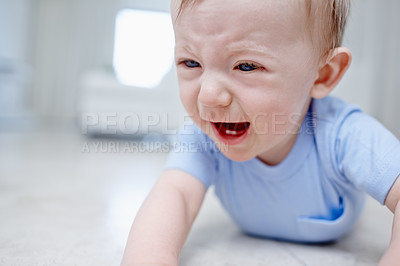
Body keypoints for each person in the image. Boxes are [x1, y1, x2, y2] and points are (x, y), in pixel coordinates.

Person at [121, 0, 400, 265]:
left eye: (246, 66)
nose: (209, 96)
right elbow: (176, 194)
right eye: (191, 63)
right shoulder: (203, 138)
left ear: (322, 74)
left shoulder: (345, 134)